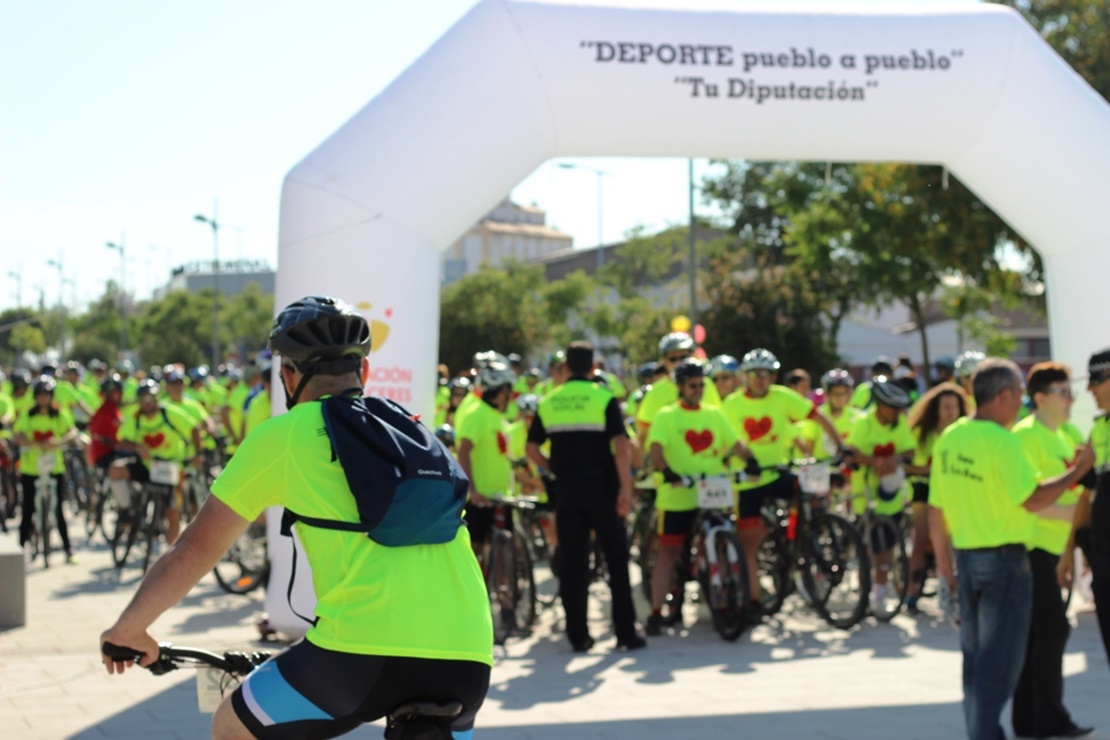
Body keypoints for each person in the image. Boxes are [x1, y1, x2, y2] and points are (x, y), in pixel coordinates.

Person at [101, 295, 492, 740]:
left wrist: (129, 629)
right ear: (363, 372)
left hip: (359, 649)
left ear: (287, 374)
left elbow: (195, 548)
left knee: (232, 724)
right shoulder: (413, 430)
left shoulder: (284, 435)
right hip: (468, 649)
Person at [928, 358, 1093, 740]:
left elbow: (936, 515)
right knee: (998, 669)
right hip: (1005, 565)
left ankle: (983, 732)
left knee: (975, 665)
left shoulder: (951, 437)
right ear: (1003, 396)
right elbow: (1033, 499)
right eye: (1019, 393)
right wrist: (1078, 472)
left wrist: (946, 571)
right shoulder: (1005, 441)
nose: (1022, 401)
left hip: (967, 560)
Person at [527, 341, 645, 653]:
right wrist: (626, 490)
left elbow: (530, 448)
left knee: (573, 564)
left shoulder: (549, 400)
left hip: (567, 491)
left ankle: (578, 636)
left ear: (565, 368)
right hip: (603, 490)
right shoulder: (604, 397)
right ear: (594, 368)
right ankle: (625, 633)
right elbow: (621, 447)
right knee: (617, 561)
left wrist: (552, 468)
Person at [722, 348, 843, 617]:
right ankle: (753, 600)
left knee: (807, 490)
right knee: (749, 543)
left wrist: (840, 445)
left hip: (777, 473)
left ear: (773, 376)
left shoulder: (783, 397)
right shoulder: (731, 405)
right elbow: (723, 438)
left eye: (766, 375)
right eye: (755, 375)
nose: (760, 380)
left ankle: (800, 535)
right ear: (746, 377)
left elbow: (818, 416)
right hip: (748, 480)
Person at [1010, 362, 1093, 739]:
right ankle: (1048, 720)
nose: (1072, 398)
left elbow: (1082, 490)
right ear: (1039, 398)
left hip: (1059, 549)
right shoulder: (1024, 436)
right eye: (1064, 392)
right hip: (1033, 548)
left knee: (1039, 635)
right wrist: (1080, 515)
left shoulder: (1070, 431)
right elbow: (1032, 500)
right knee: (1052, 631)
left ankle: (1030, 721)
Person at [645, 359, 758, 632]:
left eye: (701, 385)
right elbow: (656, 448)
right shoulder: (666, 415)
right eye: (692, 385)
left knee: (723, 539)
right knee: (669, 553)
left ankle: (726, 595)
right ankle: (656, 612)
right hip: (679, 495)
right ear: (681, 388)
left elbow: (735, 443)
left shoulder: (714, 414)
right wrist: (667, 471)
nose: (698, 390)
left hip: (714, 492)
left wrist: (750, 460)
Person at [843, 378, 918, 607]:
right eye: (894, 408)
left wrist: (894, 459)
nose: (898, 412)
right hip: (866, 495)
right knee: (869, 547)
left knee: (886, 548)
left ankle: (880, 590)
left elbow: (910, 450)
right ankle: (869, 589)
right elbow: (851, 453)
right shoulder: (863, 423)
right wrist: (876, 462)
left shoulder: (900, 423)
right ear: (881, 406)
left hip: (891, 496)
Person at [1059, 347, 1110, 671]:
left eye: (1097, 379)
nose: (1089, 389)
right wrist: (1069, 553)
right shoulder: (1100, 429)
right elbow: (1087, 493)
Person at [904, 381, 968, 612]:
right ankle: (911, 590)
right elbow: (910, 466)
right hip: (925, 489)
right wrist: (932, 470)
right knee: (921, 538)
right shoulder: (922, 435)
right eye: (945, 406)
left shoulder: (966, 433)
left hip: (955, 491)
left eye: (954, 406)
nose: (950, 411)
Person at [14, 376, 78, 564]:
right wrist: (32, 442)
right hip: (31, 468)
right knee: (28, 508)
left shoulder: (60, 414)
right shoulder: (28, 415)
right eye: (40, 394)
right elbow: (18, 435)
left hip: (53, 467)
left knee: (58, 509)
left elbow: (72, 432)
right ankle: (20, 546)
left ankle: (67, 548)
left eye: (47, 394)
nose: (44, 398)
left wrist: (58, 442)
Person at [456, 360, 516, 559]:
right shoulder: (477, 414)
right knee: (476, 552)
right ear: (501, 391)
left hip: (500, 495)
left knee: (503, 552)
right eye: (509, 391)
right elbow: (463, 452)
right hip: (479, 497)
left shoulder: (498, 416)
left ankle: (506, 591)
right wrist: (472, 490)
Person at [636, 332, 721, 446]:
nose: (678, 362)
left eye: (684, 357)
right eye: (673, 359)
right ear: (664, 361)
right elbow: (643, 436)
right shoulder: (654, 393)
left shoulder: (707, 384)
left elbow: (718, 423)